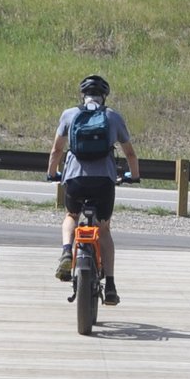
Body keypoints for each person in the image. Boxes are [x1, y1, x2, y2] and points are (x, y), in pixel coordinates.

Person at [47, 74, 138, 305]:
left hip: (75, 180)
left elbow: (57, 150)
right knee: (104, 229)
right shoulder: (112, 116)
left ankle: (67, 251)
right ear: (104, 96)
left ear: (82, 95)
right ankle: (110, 285)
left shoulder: (70, 114)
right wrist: (133, 176)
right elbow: (130, 153)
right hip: (104, 181)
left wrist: (52, 173)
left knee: (71, 215)